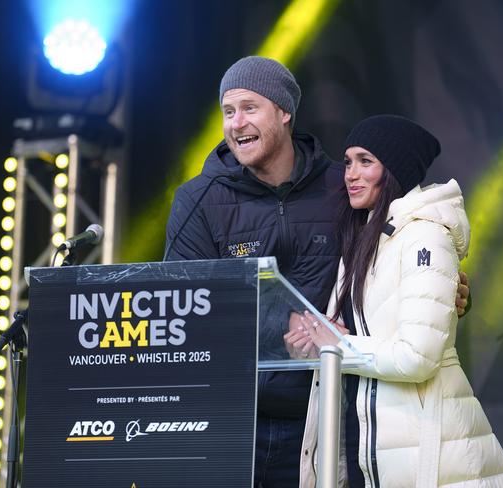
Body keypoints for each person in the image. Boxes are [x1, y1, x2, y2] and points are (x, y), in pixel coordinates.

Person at [165, 57, 470, 487]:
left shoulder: (342, 189)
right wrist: (283, 323)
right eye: (228, 112)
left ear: (285, 111)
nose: (236, 123)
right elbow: (181, 309)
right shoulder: (197, 200)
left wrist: (447, 289)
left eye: (249, 108)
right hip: (232, 419)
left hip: (328, 416)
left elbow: (394, 263)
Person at [294, 115, 503, 487]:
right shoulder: (367, 237)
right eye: (348, 162)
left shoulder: (425, 237)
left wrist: (336, 346)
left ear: (394, 169)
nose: (350, 173)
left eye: (366, 161)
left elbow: (417, 356)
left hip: (439, 457)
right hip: (386, 455)